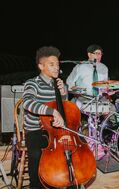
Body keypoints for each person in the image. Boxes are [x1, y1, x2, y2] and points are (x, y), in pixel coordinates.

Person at [22, 46, 66, 188]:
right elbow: (27, 102)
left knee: (71, 152)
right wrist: (51, 112)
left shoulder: (58, 84)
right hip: (36, 130)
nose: (56, 68)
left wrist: (63, 93)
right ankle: (36, 185)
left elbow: (64, 109)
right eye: (51, 64)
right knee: (37, 157)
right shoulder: (32, 83)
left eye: (58, 64)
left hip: (56, 130)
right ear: (41, 66)